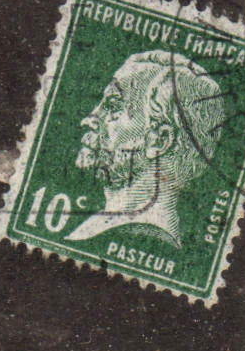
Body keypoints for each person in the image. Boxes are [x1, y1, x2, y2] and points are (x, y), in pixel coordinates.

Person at [66, 49, 226, 248]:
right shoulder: (103, 229)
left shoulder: (138, 237)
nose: (88, 119)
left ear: (159, 140)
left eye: (113, 106)